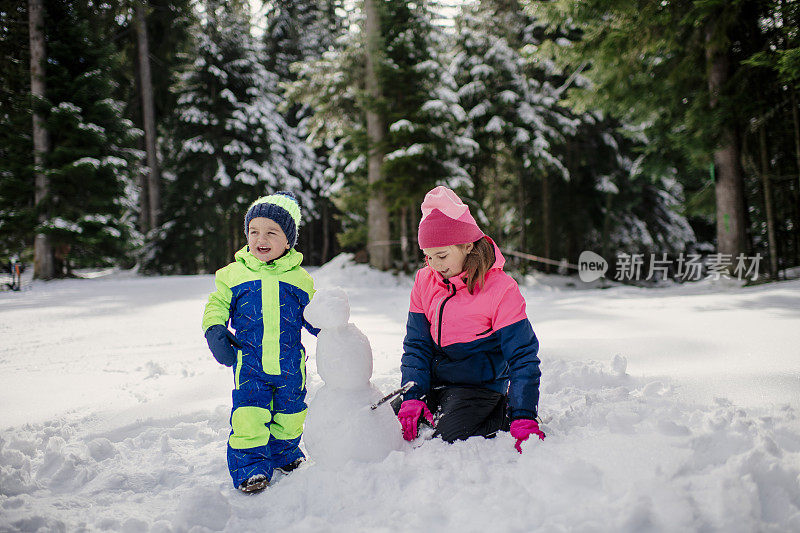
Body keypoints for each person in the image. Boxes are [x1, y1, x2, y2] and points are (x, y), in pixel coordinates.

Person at [396, 186, 544, 453]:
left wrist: (523, 414)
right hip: (436, 384)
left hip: (480, 389)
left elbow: (522, 355)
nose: (435, 265)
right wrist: (413, 395)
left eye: (442, 255)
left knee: (441, 441)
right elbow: (417, 344)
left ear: (467, 245)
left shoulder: (501, 289)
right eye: (428, 256)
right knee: (390, 426)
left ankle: (501, 413)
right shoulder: (424, 280)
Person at [202, 191, 319, 493]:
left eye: (271, 232)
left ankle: (285, 453)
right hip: (250, 363)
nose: (260, 238)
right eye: (254, 231)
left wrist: (331, 331)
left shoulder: (300, 279)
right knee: (249, 417)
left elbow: (315, 315)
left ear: (288, 241)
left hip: (290, 364)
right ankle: (251, 466)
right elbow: (217, 304)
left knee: (291, 413)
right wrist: (214, 329)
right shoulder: (233, 274)